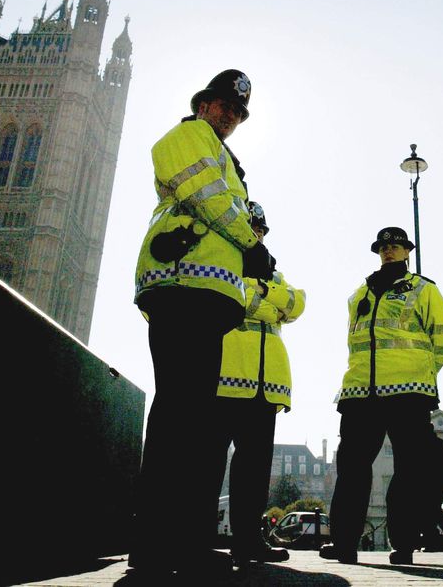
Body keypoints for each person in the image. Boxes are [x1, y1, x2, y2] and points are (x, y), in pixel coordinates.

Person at [129, 70, 275, 576]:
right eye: (225, 107)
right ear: (205, 103)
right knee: (177, 418)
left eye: (238, 112)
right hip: (181, 285)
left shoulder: (224, 155)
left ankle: (181, 538)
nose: (231, 117)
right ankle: (154, 541)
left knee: (191, 420)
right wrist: (252, 245)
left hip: (206, 294)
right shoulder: (190, 136)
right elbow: (208, 199)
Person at [319, 227, 443, 566]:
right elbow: (354, 343)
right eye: (384, 247)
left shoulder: (424, 289)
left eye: (395, 246)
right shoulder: (358, 294)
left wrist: (425, 372)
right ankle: (344, 542)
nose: (389, 252)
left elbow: (441, 337)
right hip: (360, 390)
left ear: (407, 251)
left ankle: (404, 543)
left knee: (408, 468)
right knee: (350, 468)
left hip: (409, 391)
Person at [211, 201, 305, 566]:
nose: (255, 235)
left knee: (254, 469)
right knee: (208, 465)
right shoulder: (222, 260)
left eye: (260, 230)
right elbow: (239, 299)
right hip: (223, 376)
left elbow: (298, 304)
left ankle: (248, 540)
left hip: (266, 383)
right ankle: (199, 538)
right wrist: (269, 300)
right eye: (250, 228)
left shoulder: (273, 273)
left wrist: (264, 294)